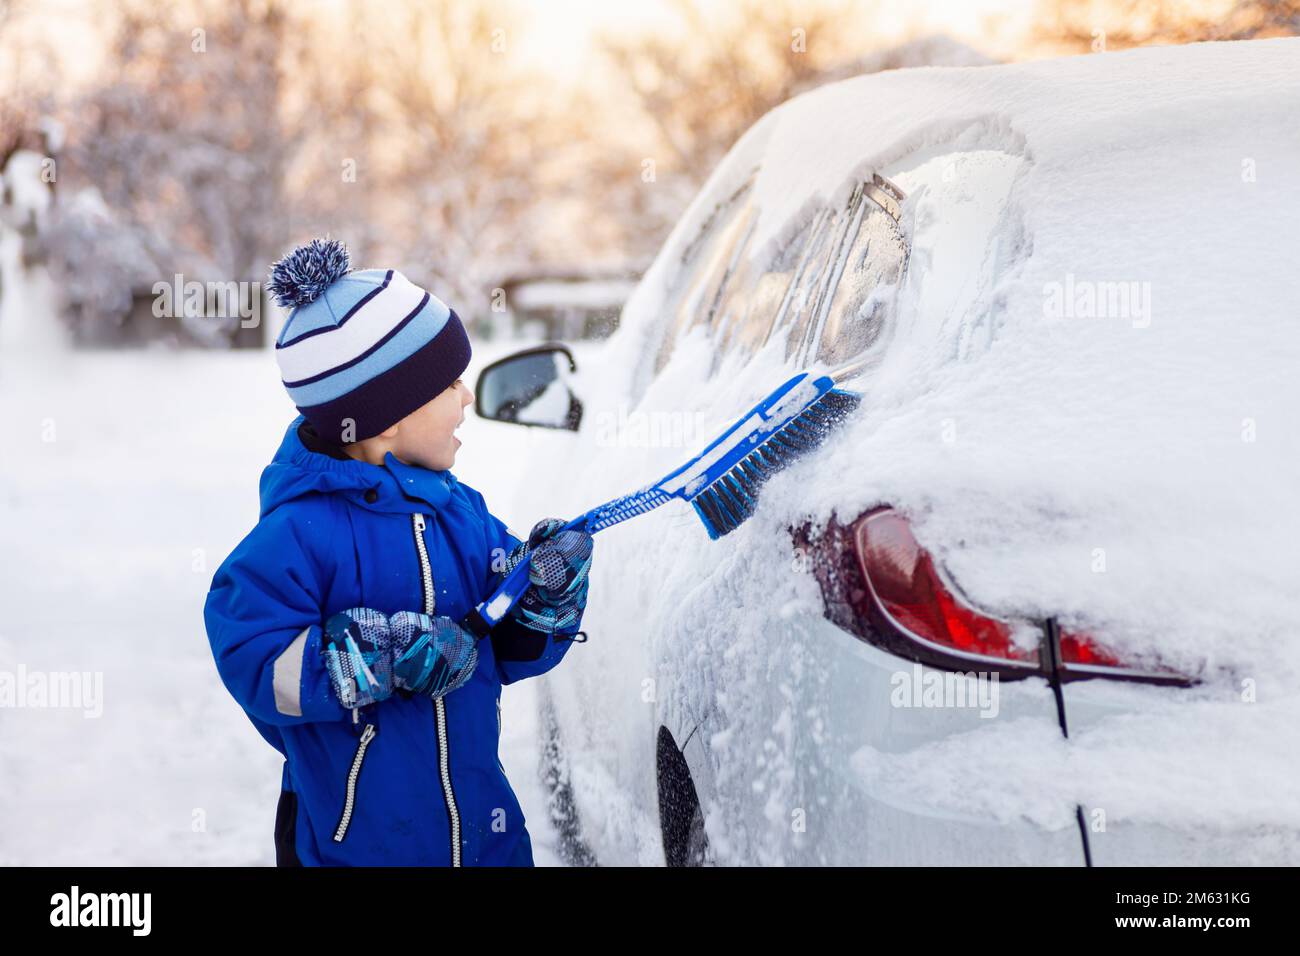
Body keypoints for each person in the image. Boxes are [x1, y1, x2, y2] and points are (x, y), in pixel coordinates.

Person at [203, 237, 594, 866]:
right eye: (448, 384)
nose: (467, 396)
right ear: (383, 417)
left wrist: (546, 595)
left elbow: (506, 643)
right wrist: (377, 659)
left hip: (483, 842)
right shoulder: (299, 534)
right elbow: (253, 655)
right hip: (353, 849)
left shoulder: (460, 513)